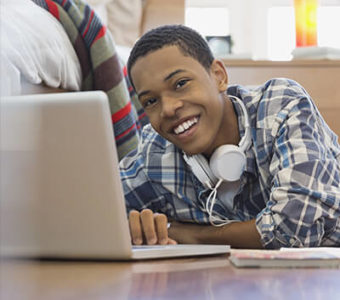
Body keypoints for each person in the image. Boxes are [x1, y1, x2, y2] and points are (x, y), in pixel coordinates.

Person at [119, 24, 340, 249]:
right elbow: (95, 215)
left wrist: (190, 235)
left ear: (219, 76)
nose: (167, 109)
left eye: (180, 84)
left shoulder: (280, 107)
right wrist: (134, 227)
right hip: (226, 282)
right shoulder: (155, 152)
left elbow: (292, 230)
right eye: (151, 101)